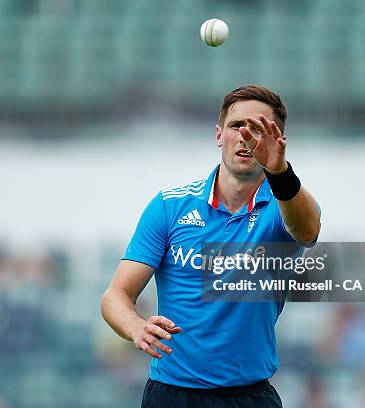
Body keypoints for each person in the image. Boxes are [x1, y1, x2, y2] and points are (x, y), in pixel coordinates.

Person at [101, 85, 321, 407]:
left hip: (250, 396)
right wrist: (136, 326)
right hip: (171, 394)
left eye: (258, 129)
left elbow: (307, 230)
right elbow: (115, 296)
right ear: (219, 135)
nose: (246, 136)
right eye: (236, 126)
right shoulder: (169, 207)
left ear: (277, 141)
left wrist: (281, 173)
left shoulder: (285, 205)